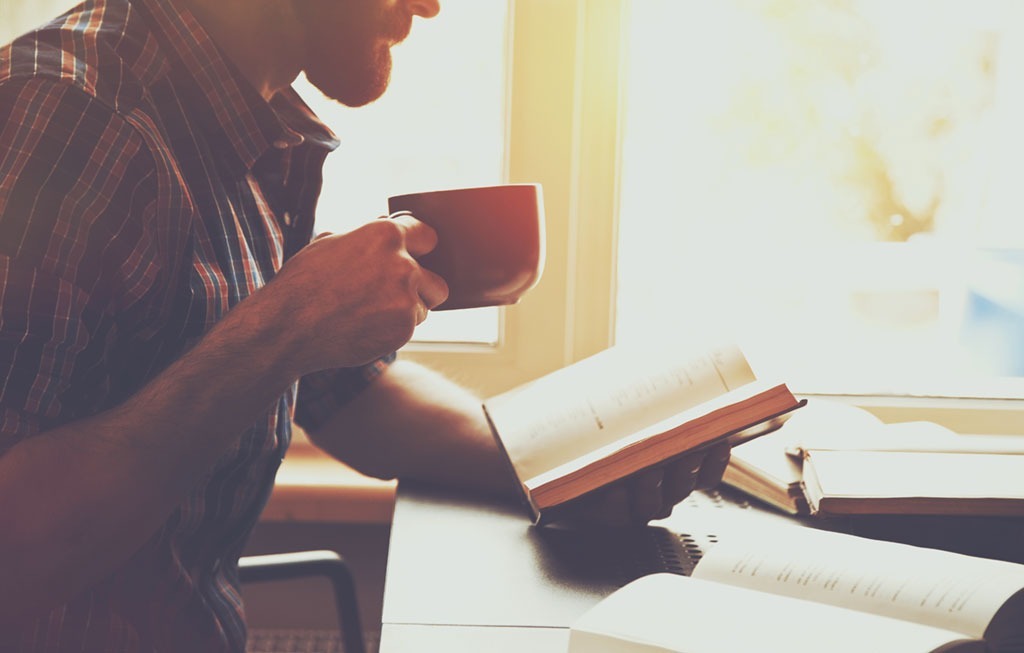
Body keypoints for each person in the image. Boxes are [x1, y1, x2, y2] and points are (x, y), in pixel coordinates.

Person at [0, 0, 731, 649]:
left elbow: (346, 393)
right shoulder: (70, 115)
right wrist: (285, 326)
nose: (430, 5)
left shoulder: (245, 126)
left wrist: (560, 465)